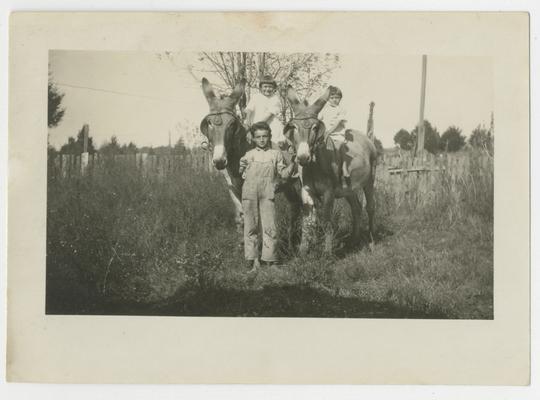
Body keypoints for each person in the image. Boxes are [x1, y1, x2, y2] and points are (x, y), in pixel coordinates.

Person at [239, 121, 295, 271]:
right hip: (249, 192)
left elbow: (283, 174)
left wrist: (293, 162)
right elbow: (241, 171)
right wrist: (244, 172)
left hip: (267, 192)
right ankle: (253, 261)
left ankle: (270, 261)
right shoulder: (248, 155)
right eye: (258, 137)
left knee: (270, 227)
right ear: (253, 139)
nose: (262, 140)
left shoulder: (275, 154)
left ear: (269, 136)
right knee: (251, 227)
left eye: (265, 136)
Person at [243, 75, 287, 149]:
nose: (267, 89)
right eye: (265, 87)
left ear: (274, 88)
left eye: (270, 87)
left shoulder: (275, 99)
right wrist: (248, 121)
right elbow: (249, 109)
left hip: (269, 125)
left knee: (273, 145)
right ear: (260, 88)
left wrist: (255, 126)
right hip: (254, 124)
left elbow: (268, 115)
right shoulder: (256, 97)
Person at [319, 86, 351, 189]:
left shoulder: (341, 110)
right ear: (328, 99)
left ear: (340, 98)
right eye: (332, 97)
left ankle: (342, 174)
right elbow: (319, 120)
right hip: (325, 135)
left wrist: (329, 132)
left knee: (337, 150)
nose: (334, 100)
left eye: (337, 97)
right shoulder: (324, 110)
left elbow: (337, 123)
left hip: (337, 135)